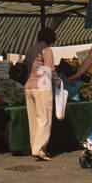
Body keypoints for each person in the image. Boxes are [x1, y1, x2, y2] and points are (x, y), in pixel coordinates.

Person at [23, 26, 60, 161]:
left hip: (29, 86)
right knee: (44, 119)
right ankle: (39, 149)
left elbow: (27, 66)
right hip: (42, 87)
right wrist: (57, 81)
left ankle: (36, 147)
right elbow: (50, 69)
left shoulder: (30, 49)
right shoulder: (47, 50)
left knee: (33, 119)